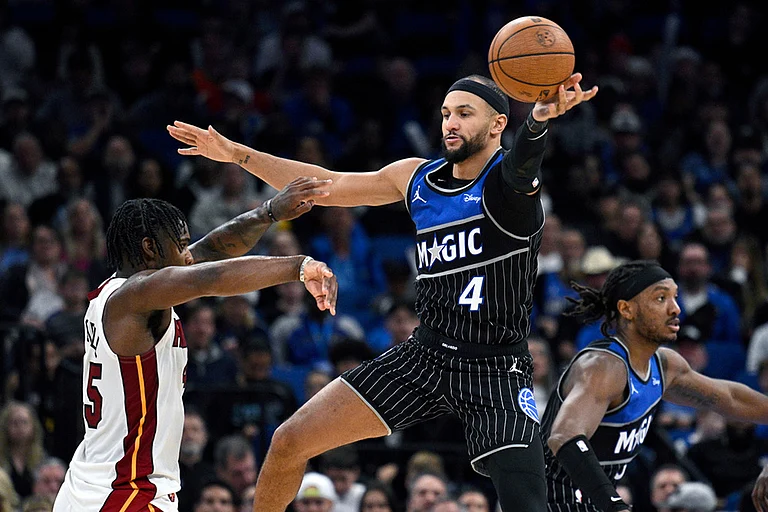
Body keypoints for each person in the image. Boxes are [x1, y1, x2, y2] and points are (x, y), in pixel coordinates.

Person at [169, 71, 598, 512]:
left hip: (495, 368)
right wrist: (236, 153)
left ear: (497, 125)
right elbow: (323, 183)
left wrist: (538, 123)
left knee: (529, 504)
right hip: (425, 354)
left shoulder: (508, 186)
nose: (450, 123)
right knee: (289, 440)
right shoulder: (415, 178)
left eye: (465, 114)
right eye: (446, 113)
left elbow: (523, 163)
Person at [52, 177, 338, 511]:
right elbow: (209, 277)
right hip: (125, 492)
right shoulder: (135, 297)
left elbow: (213, 251)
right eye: (181, 245)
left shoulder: (116, 294)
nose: (189, 255)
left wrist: (268, 212)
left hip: (94, 485)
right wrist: (298, 266)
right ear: (149, 248)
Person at [541, 260, 768, 512]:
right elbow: (564, 437)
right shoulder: (602, 367)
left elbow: (730, 398)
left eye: (675, 297)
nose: (675, 309)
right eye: (661, 299)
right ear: (627, 309)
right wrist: (613, 503)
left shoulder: (665, 365)